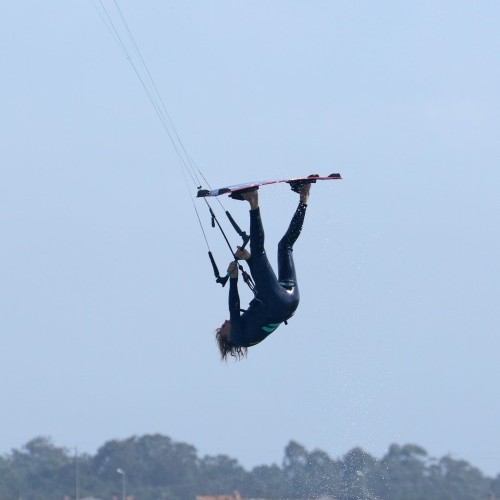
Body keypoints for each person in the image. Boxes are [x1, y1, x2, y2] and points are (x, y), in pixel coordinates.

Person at [215, 181, 312, 361]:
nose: (227, 322)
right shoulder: (237, 337)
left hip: (290, 302)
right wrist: (234, 279)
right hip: (276, 302)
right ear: (227, 338)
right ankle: (253, 200)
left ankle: (304, 195)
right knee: (259, 250)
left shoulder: (249, 334)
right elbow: (234, 308)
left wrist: (249, 260)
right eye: (224, 327)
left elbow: (264, 285)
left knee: (285, 246)